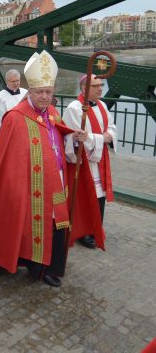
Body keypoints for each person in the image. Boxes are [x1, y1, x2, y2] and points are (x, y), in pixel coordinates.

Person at [0, 50, 104, 288]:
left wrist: (75, 138)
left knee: (56, 226)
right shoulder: (15, 118)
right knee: (22, 225)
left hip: (56, 181)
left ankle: (48, 268)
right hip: (28, 186)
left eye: (48, 92)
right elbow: (6, 161)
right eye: (39, 92)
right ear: (28, 92)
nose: (44, 96)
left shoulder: (52, 112)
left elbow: (61, 143)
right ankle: (23, 264)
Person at [62, 74, 117, 249]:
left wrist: (108, 136)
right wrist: (99, 138)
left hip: (100, 158)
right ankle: (83, 232)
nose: (101, 88)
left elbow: (111, 127)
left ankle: (96, 228)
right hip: (85, 161)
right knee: (86, 196)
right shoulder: (74, 108)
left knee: (99, 196)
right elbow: (73, 136)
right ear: (84, 89)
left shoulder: (101, 105)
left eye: (101, 85)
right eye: (96, 86)